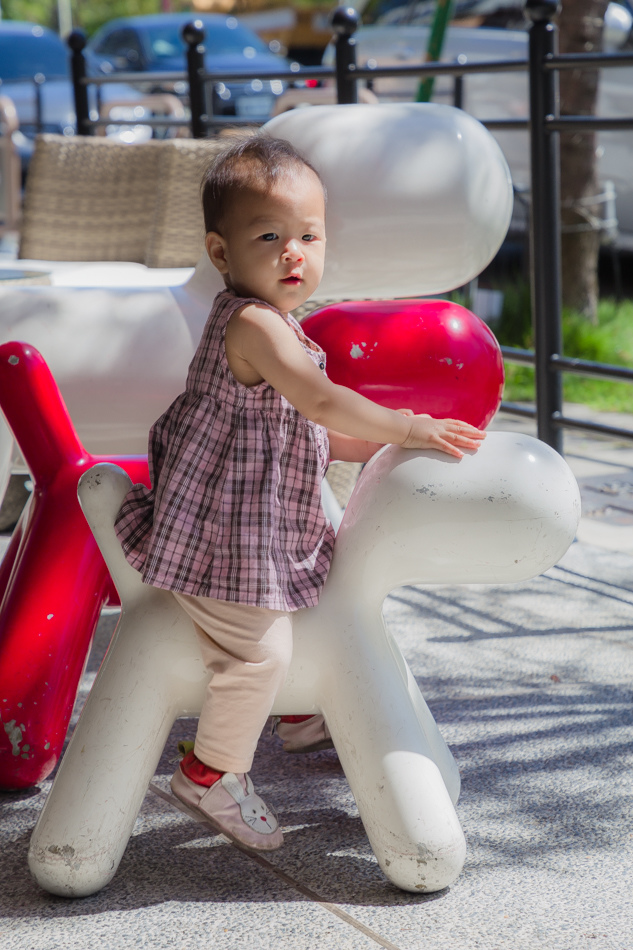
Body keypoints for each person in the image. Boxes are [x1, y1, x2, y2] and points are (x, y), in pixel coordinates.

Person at [114, 133, 486, 853]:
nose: (294, 253)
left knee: (316, 590)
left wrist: (384, 448)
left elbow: (312, 432)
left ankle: (297, 715)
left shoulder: (280, 329)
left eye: (308, 236)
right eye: (269, 236)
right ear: (221, 255)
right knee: (257, 657)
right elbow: (319, 404)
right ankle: (210, 773)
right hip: (218, 542)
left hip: (256, 532)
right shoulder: (254, 327)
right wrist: (406, 425)